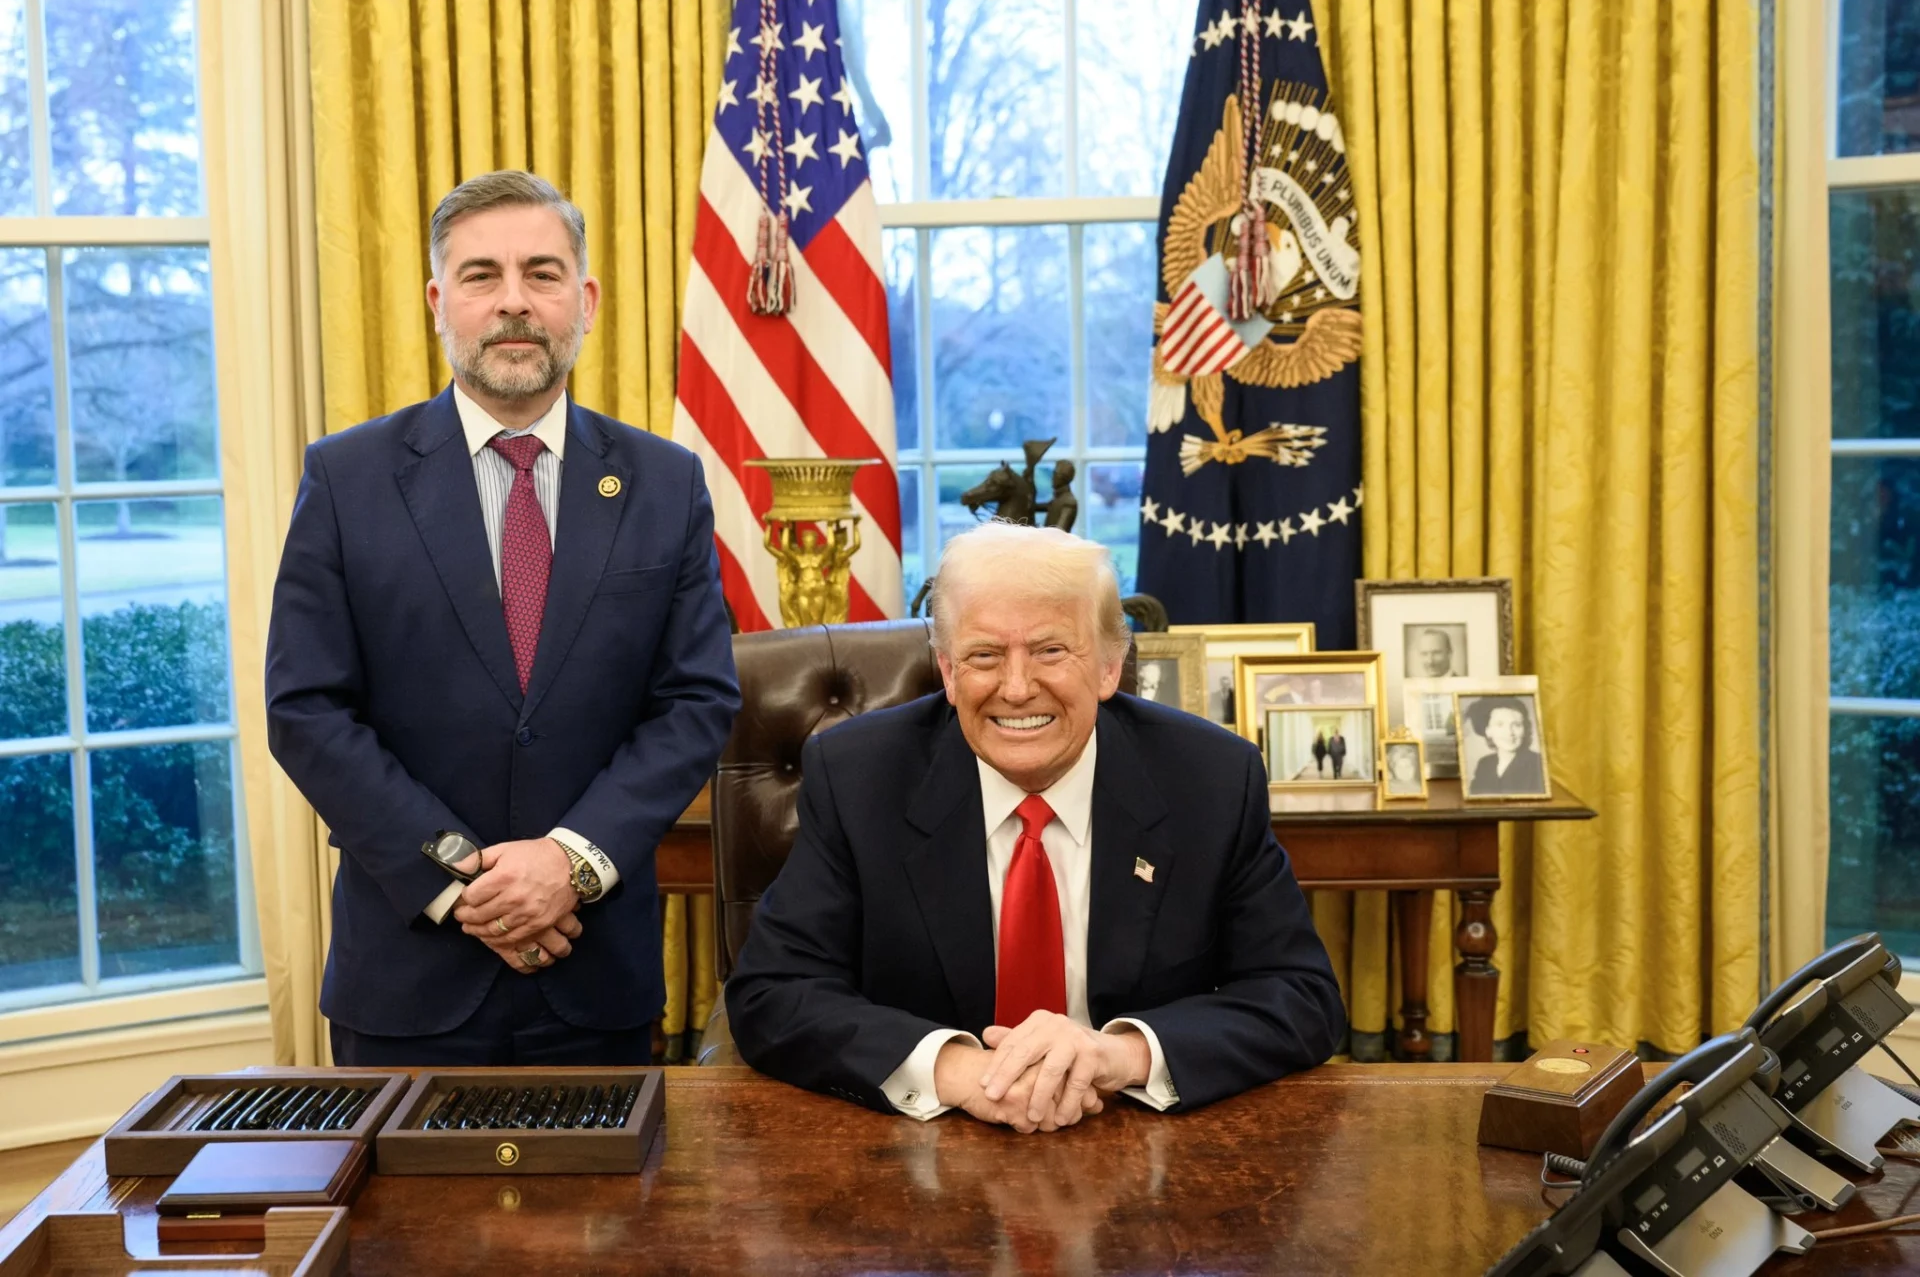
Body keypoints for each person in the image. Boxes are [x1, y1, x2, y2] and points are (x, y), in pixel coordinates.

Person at [266, 171, 739, 1065]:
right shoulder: (346, 478)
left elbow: (695, 702)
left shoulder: (665, 483)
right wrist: (463, 881)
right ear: (439, 303)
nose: (514, 302)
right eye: (481, 275)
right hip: (408, 976)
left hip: (593, 972)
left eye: (542, 274)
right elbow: (306, 709)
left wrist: (569, 862)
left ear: (585, 302)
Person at [726, 522, 1343, 1131]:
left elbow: (1301, 996)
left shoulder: (1210, 780)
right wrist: (960, 1071)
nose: (1017, 689)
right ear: (948, 671)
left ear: (1109, 666)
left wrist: (1119, 1054)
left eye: (1050, 651)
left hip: (1136, 1138)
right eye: (984, 656)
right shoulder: (860, 778)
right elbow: (773, 992)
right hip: (921, 1146)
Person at [1464, 696, 1546, 796]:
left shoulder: (1538, 763)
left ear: (1525, 729)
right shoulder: (1484, 764)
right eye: (1500, 725)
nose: (1509, 732)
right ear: (1488, 731)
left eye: (1516, 725)